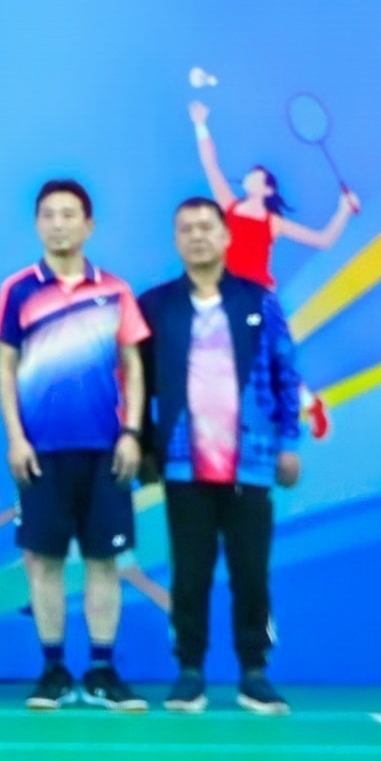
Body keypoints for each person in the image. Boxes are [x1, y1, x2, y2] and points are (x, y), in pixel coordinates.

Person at [137, 196, 303, 715]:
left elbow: (285, 373)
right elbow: (135, 382)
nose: (197, 236)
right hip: (184, 461)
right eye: (186, 228)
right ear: (175, 240)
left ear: (227, 236)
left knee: (251, 573)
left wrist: (289, 444)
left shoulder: (259, 301)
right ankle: (189, 672)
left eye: (207, 227)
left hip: (250, 462)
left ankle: (254, 673)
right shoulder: (155, 306)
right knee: (190, 573)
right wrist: (143, 446)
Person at [0, 177, 150, 711]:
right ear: (37, 224)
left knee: (105, 562)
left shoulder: (115, 291)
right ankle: (54, 670)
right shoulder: (18, 290)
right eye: (48, 215)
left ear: (89, 225)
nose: (58, 224)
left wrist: (131, 432)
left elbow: (132, 365)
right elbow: (6, 367)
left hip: (106, 448)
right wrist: (16, 438)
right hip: (41, 451)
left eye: (68, 215)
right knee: (45, 561)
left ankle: (103, 670)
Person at [189, 100, 358, 285]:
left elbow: (323, 240)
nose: (249, 176)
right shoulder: (228, 204)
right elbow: (210, 165)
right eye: (250, 174)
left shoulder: (274, 223)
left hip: (258, 293)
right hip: (228, 289)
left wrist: (344, 211)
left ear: (268, 190)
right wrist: (200, 125)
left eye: (256, 175)